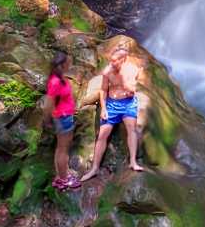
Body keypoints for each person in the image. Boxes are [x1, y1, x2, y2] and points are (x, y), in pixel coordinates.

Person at [81, 47, 145, 181]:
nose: (112, 63)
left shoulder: (132, 69)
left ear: (123, 60)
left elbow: (133, 89)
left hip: (128, 103)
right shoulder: (107, 72)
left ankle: (133, 162)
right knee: (102, 134)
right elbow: (103, 91)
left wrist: (125, 83)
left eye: (115, 61)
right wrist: (103, 109)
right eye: (111, 60)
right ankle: (94, 168)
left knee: (131, 130)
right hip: (112, 104)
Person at [45, 51, 80, 190]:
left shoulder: (59, 78)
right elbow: (48, 104)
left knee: (60, 148)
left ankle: (60, 176)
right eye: (69, 62)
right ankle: (64, 180)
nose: (70, 64)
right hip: (63, 118)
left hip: (64, 115)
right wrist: (48, 119)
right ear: (63, 64)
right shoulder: (55, 81)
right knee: (63, 149)